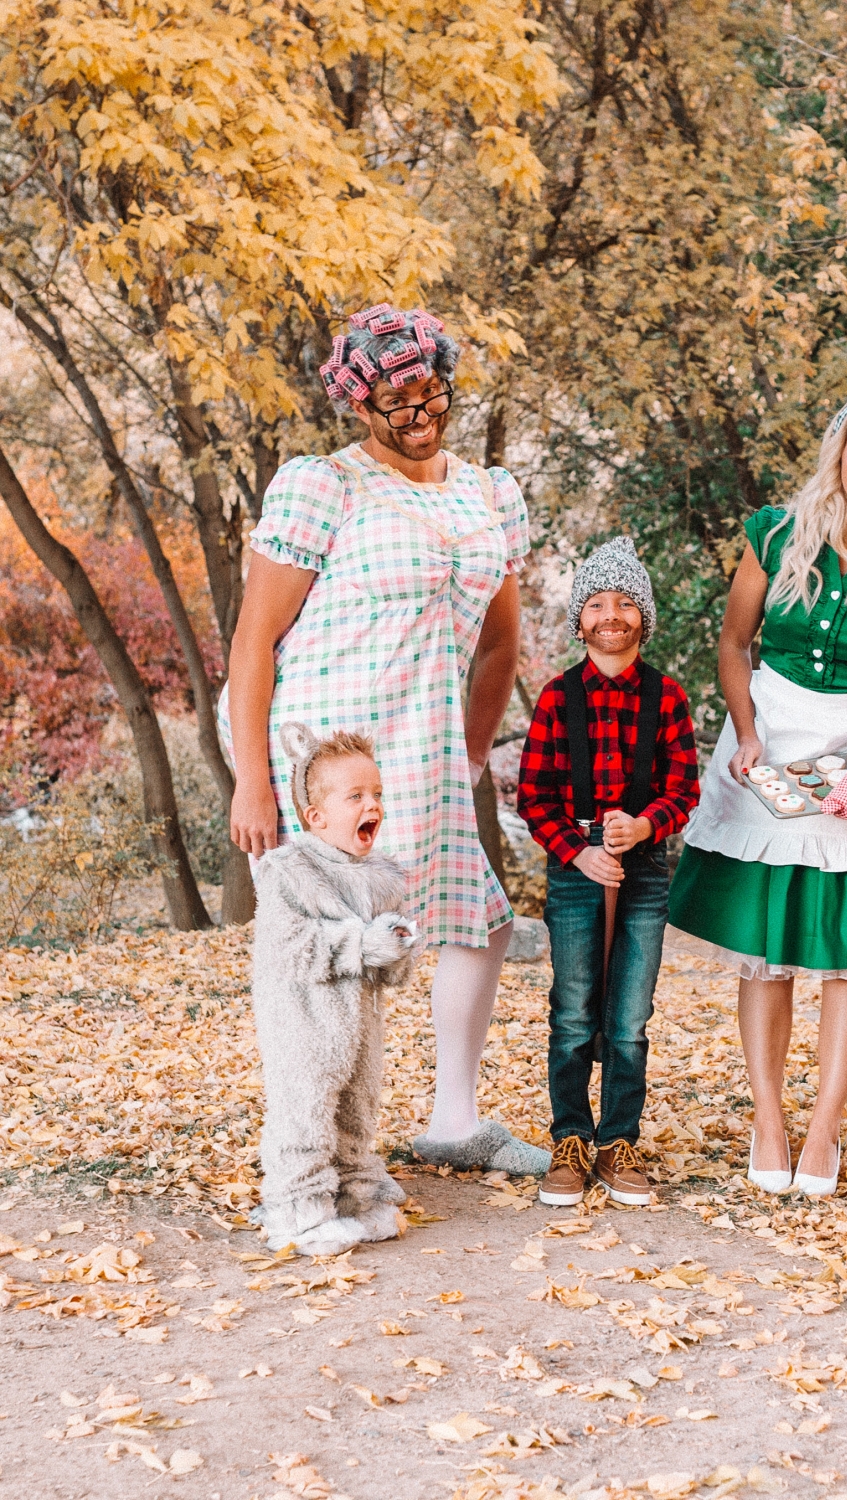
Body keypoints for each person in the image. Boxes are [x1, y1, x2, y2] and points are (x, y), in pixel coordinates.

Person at [223, 304, 549, 1178]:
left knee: (477, 924)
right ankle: (310, 1143)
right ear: (359, 403)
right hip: (324, 754)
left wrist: (470, 755)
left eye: (429, 390)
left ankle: (452, 1120)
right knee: (328, 953)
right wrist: (254, 780)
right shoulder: (321, 486)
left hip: (427, 752)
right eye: (393, 396)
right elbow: (254, 640)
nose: (416, 410)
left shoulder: (489, 495)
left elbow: (500, 642)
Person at [667, 382, 847, 1197]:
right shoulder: (775, 534)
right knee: (764, 953)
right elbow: (734, 643)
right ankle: (769, 1117)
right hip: (767, 736)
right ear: (839, 452)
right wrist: (748, 731)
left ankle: (824, 1126)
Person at [517, 538, 700, 1207]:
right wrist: (580, 850)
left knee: (628, 1015)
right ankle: (570, 1135)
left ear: (643, 617)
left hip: (644, 869)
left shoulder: (667, 697)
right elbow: (532, 798)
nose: (612, 613)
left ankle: (617, 1141)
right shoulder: (556, 698)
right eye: (598, 602)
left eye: (626, 602)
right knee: (572, 1011)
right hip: (574, 870)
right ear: (581, 619)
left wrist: (645, 824)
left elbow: (684, 788)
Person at [251, 724, 420, 1256]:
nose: (372, 805)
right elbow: (289, 946)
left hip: (360, 1030)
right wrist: (360, 944)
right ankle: (296, 1209)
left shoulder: (381, 879)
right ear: (316, 816)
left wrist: (395, 948)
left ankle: (354, 1197)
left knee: (356, 1110)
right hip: (303, 1026)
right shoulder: (288, 872)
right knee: (305, 1111)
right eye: (356, 796)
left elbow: (386, 968)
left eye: (377, 795)